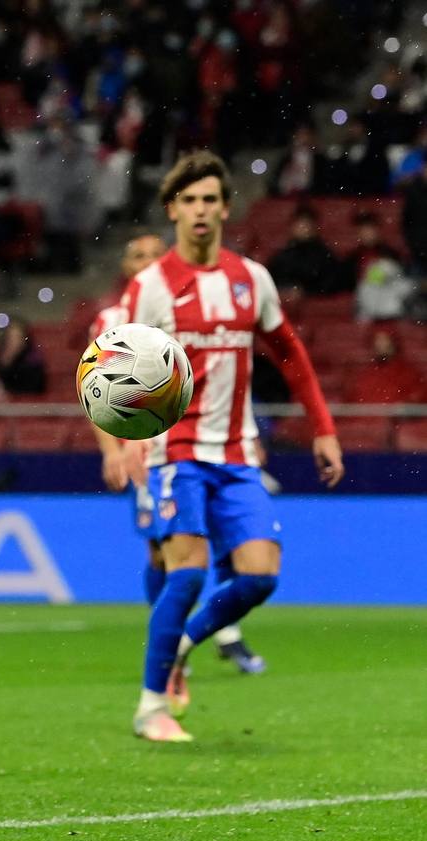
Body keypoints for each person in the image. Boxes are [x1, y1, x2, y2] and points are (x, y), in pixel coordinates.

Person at [119, 151, 342, 743]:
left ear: (225, 207)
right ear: (172, 210)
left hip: (239, 452)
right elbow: (122, 376)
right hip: (177, 450)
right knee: (187, 573)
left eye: (210, 199)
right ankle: (151, 706)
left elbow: (289, 352)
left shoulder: (251, 279)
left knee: (262, 575)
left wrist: (322, 426)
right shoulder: (150, 289)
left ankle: (185, 645)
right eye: (188, 200)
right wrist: (130, 442)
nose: (200, 210)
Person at [87, 231, 267, 674]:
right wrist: (115, 448)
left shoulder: (185, 302)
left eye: (154, 254)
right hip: (147, 448)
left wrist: (244, 428)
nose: (147, 261)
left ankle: (225, 633)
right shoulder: (111, 319)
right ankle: (172, 644)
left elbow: (217, 369)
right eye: (137, 255)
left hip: (205, 443)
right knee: (160, 550)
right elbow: (98, 391)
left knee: (225, 541)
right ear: (126, 267)